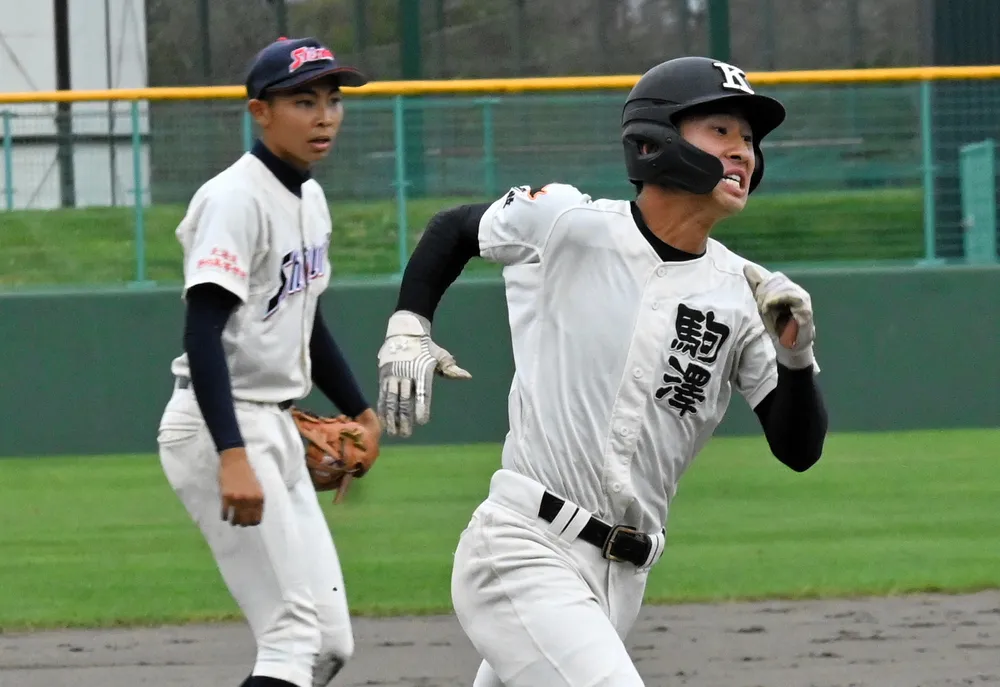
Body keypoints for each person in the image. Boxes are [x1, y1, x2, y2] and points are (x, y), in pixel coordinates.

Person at [374, 56, 829, 686]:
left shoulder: (743, 294)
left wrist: (795, 356)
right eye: (721, 131)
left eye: (749, 140)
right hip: (524, 546)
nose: (743, 152)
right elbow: (455, 228)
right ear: (656, 140)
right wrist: (408, 327)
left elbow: (798, 448)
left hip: (621, 581)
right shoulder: (568, 221)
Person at [156, 36, 380, 687]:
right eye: (303, 100)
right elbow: (202, 332)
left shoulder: (309, 201)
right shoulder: (236, 199)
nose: (324, 116)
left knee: (329, 643)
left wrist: (360, 410)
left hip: (274, 423)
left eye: (333, 100)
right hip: (218, 425)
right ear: (260, 111)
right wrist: (232, 454)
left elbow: (307, 321)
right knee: (291, 637)